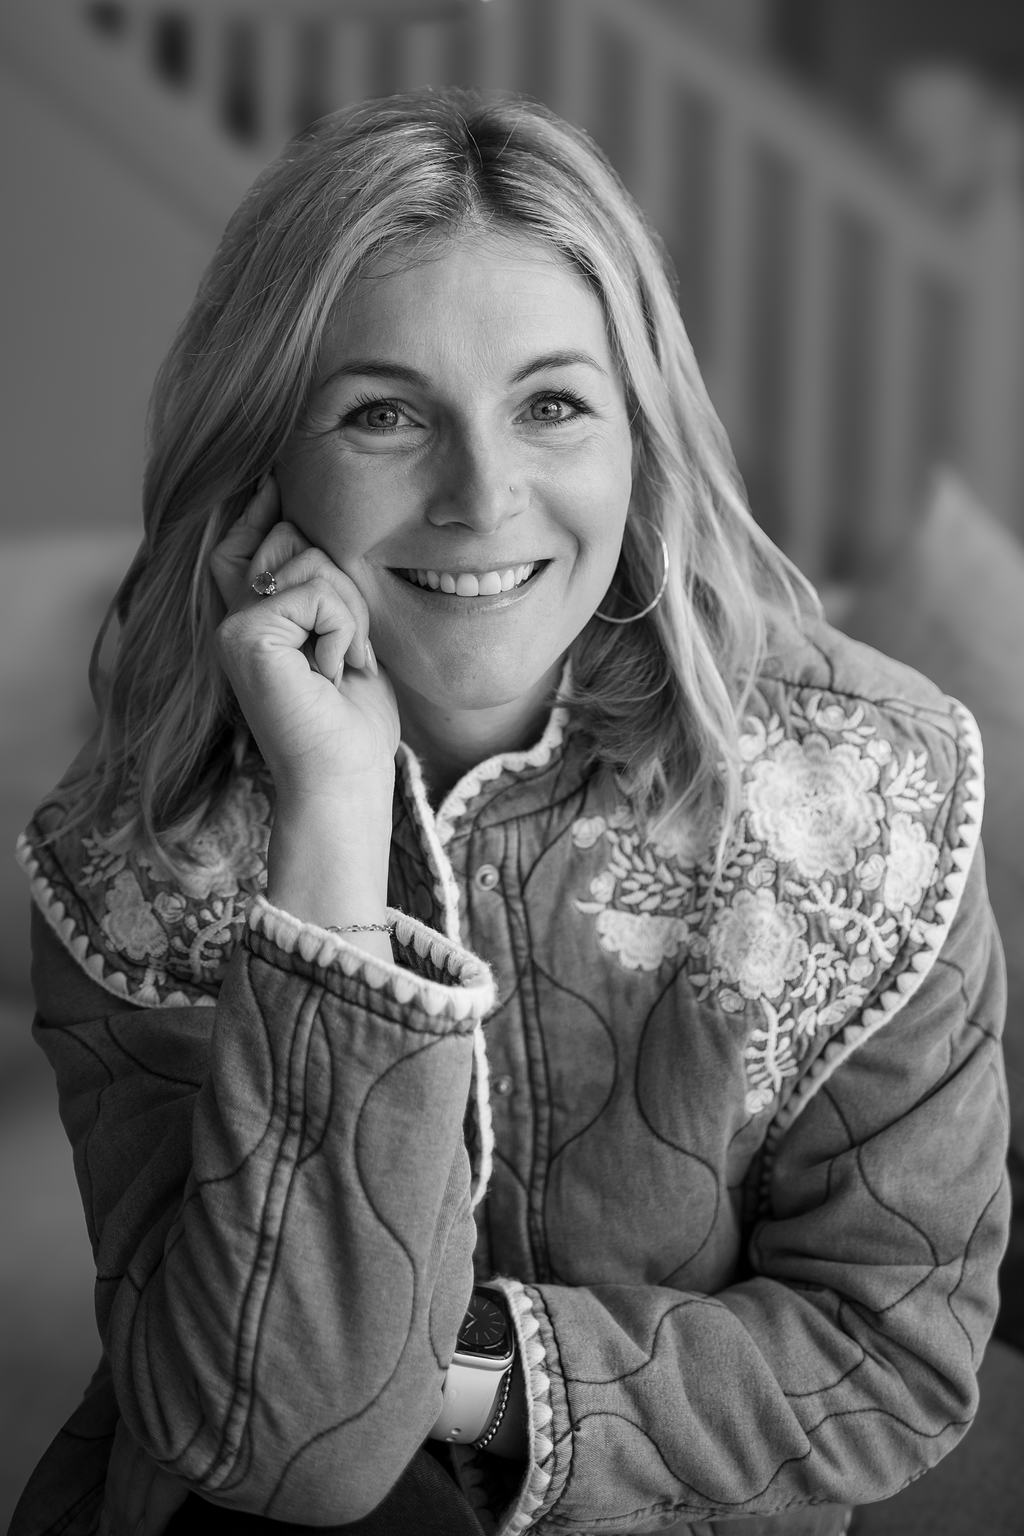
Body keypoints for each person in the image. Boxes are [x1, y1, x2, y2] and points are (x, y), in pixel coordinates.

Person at [12, 86, 1009, 1536]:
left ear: (637, 437)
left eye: (551, 405)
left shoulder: (871, 788)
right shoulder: (138, 857)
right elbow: (274, 1445)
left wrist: (456, 1378)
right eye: (384, 414)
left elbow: (893, 1355)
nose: (482, 496)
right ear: (265, 463)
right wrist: (331, 832)